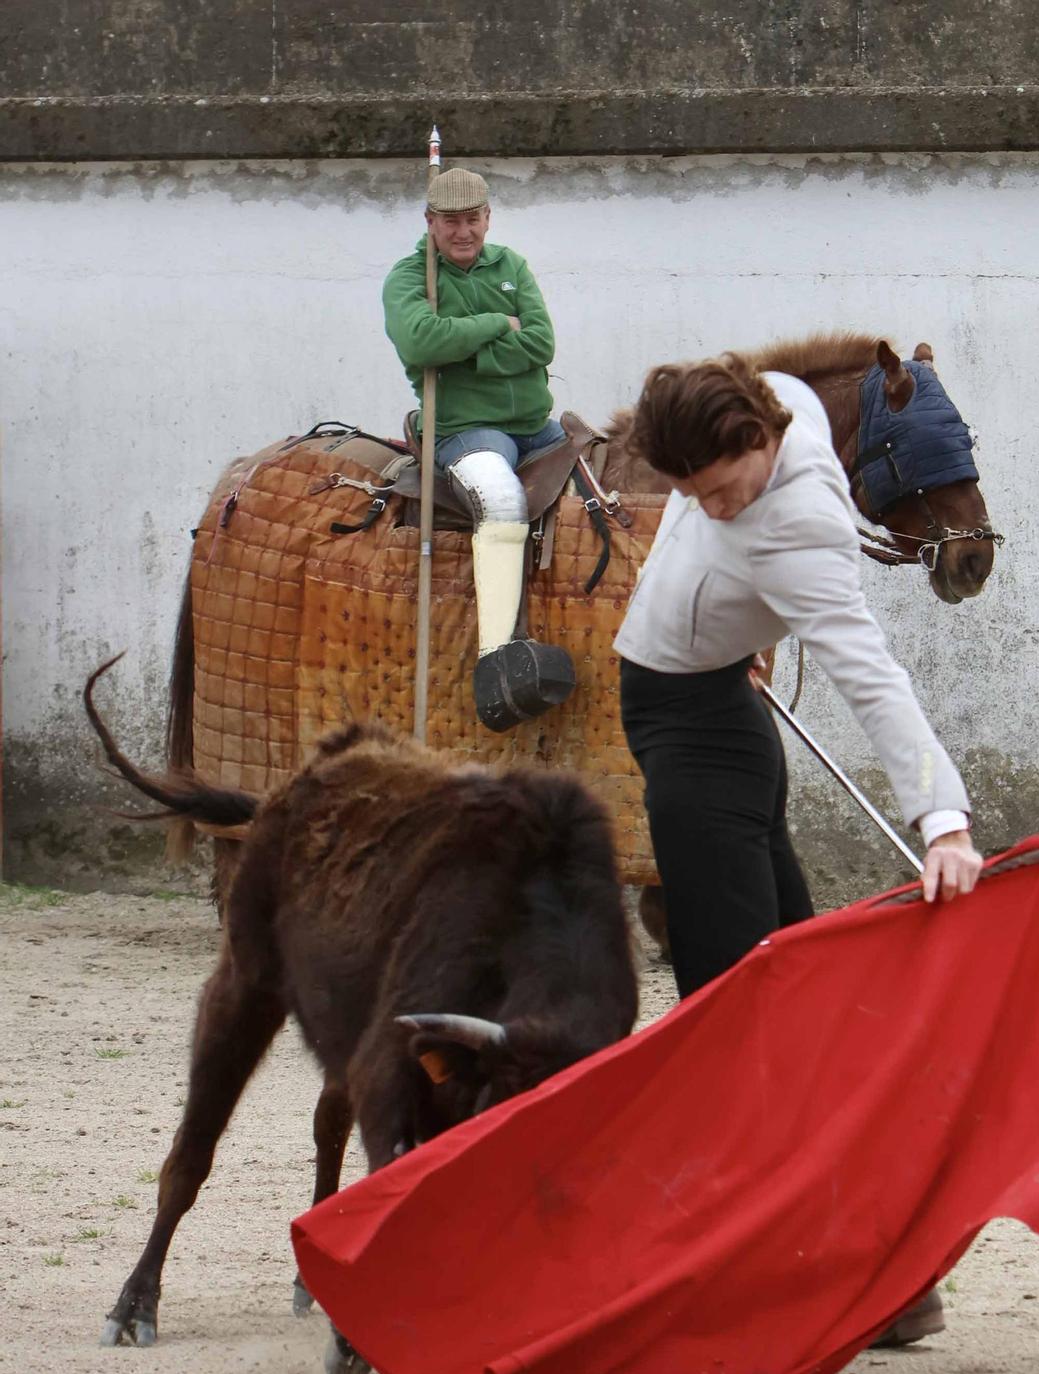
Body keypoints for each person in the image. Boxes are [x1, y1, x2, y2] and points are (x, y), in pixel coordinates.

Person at [615, 354, 984, 1003]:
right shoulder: (781, 397)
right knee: (785, 962)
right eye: (693, 494)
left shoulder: (805, 529)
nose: (713, 512)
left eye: (722, 492)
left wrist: (944, 822)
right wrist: (744, 629)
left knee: (732, 993)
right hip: (728, 704)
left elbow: (871, 676)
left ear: (760, 438)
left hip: (691, 733)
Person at [382, 167, 572, 730]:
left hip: (537, 426)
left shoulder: (511, 264)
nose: (463, 233)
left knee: (605, 485)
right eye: (450, 222)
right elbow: (419, 341)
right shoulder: (408, 277)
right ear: (430, 223)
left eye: (472, 220)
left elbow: (542, 342)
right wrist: (495, 324)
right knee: (503, 499)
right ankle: (496, 660)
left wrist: (464, 347)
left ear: (487, 218)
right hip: (466, 426)